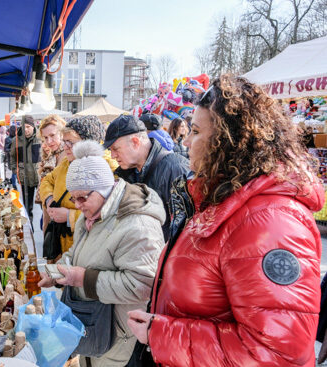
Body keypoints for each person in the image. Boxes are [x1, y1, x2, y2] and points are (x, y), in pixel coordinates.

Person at [126, 75, 324, 367]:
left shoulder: (269, 222)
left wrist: (162, 333)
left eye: (195, 131)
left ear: (229, 141)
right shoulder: (221, 199)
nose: (187, 142)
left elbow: (277, 353)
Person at [38, 140, 165, 367]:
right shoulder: (93, 213)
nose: (76, 205)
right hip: (95, 325)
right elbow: (78, 253)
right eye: (73, 197)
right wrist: (58, 272)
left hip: (121, 337)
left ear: (104, 188)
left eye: (82, 197)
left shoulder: (137, 224)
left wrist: (81, 278)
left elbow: (143, 285)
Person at [40, 115, 118, 258]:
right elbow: (47, 181)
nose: (66, 147)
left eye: (71, 142)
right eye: (65, 142)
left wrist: (70, 216)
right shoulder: (67, 163)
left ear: (89, 143)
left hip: (89, 249)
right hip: (65, 247)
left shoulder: (107, 168)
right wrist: (50, 199)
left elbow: (112, 213)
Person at [104, 114, 189, 241]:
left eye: (115, 149)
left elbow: (187, 229)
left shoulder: (176, 168)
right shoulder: (126, 173)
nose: (112, 155)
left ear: (135, 142)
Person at [36, 114, 66, 232]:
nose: (49, 141)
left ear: (62, 133)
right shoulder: (52, 154)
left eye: (52, 135)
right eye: (45, 138)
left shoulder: (68, 155)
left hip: (61, 218)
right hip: (50, 212)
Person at [9, 116, 41, 222]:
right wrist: (15, 169)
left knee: (45, 207)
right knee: (27, 208)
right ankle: (29, 231)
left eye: (28, 127)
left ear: (33, 126)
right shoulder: (16, 141)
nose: (26, 129)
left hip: (40, 178)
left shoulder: (40, 138)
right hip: (25, 179)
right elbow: (12, 157)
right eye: (24, 127)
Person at [4, 125, 18, 189]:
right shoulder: (8, 139)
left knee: (16, 172)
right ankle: (14, 185)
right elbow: (6, 149)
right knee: (14, 172)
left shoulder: (18, 138)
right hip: (12, 158)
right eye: (14, 131)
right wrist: (13, 150)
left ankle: (12, 181)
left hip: (18, 158)